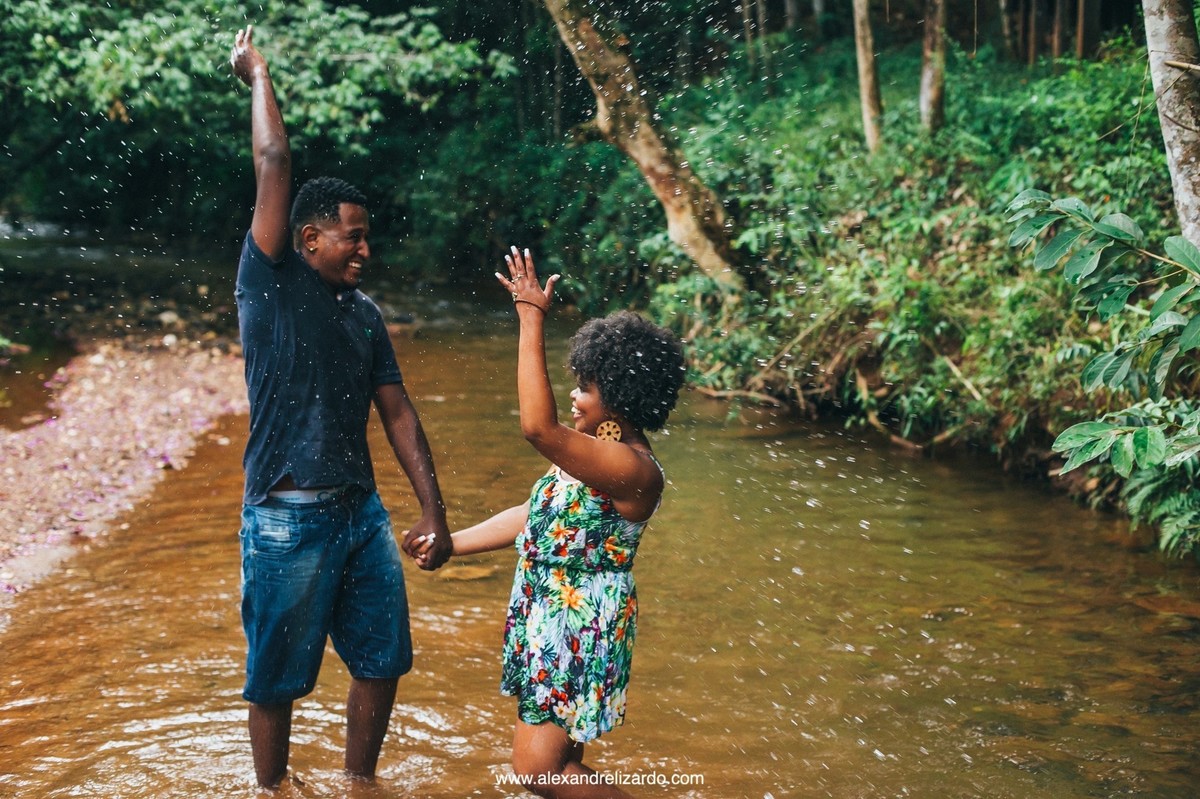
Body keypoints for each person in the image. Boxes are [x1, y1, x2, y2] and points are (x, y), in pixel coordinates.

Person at [229, 26, 452, 789]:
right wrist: (258, 74)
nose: (364, 250)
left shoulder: (363, 313)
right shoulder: (269, 280)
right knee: (276, 682)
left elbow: (398, 413)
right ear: (309, 236)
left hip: (360, 515)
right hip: (285, 516)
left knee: (385, 659)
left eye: (366, 239)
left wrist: (434, 510)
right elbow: (274, 162)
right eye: (351, 238)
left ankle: (361, 782)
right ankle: (274, 788)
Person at [417, 247, 685, 798]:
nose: (574, 395)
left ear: (622, 397)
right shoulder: (598, 446)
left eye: (585, 387)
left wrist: (530, 319)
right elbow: (536, 517)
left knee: (537, 771)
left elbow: (538, 428)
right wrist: (451, 544)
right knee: (559, 761)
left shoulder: (632, 469)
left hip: (577, 619)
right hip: (551, 610)